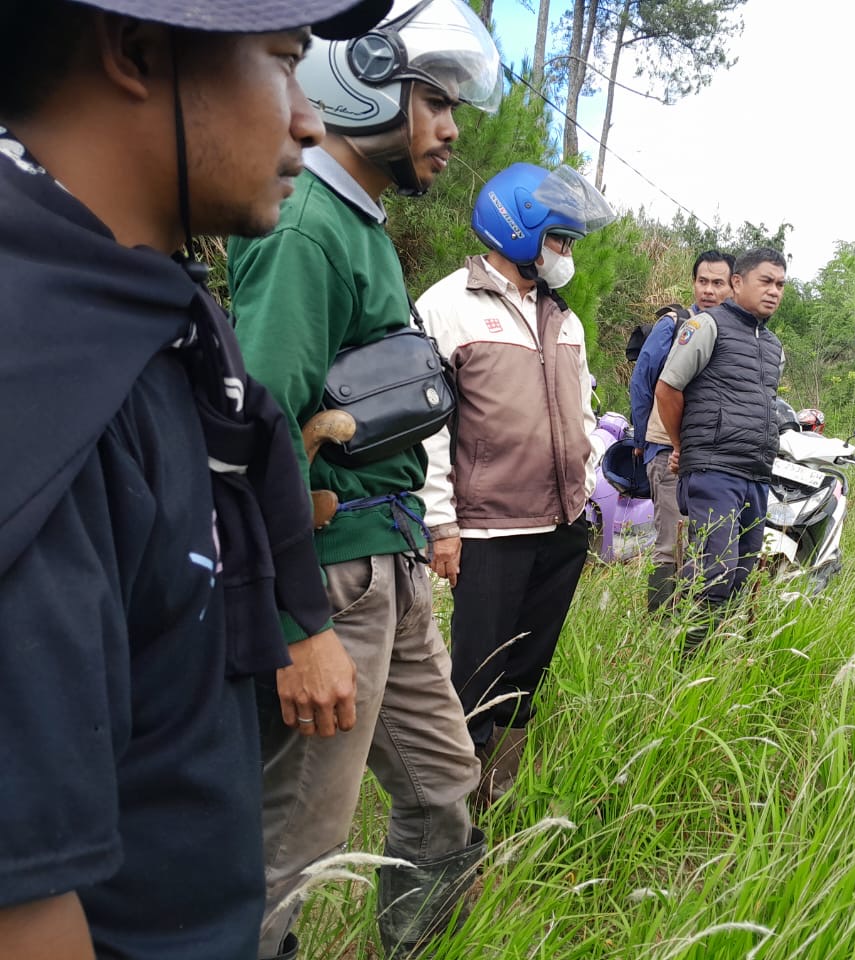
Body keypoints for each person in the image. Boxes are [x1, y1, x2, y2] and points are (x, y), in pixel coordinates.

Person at [0, 0, 390, 957]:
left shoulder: (155, 321)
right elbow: (24, 903)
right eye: (282, 61)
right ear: (135, 51)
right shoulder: (40, 381)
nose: (309, 117)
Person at [225, 3, 502, 957]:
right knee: (293, 843)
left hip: (391, 563)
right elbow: (256, 432)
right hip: (332, 575)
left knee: (443, 791)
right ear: (363, 86)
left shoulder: (360, 225)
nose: (452, 128)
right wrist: (300, 625)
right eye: (433, 101)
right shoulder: (307, 226)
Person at [417, 162, 614, 808]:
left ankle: (493, 803)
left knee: (526, 678)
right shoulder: (447, 307)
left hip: (561, 530)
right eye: (561, 240)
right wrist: (441, 524)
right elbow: (428, 429)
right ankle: (449, 823)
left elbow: (582, 413)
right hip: (491, 530)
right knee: (474, 679)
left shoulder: (565, 319)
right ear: (521, 230)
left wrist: (584, 491)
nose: (567, 255)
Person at [654, 247, 787, 649]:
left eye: (780, 284)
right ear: (738, 283)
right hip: (713, 470)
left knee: (743, 578)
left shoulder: (774, 346)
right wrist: (683, 445)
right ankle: (689, 668)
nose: (774, 292)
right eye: (765, 281)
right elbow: (667, 387)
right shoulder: (706, 325)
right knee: (713, 575)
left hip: (755, 475)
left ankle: (721, 669)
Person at [628, 250, 735, 612]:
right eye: (702, 281)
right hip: (666, 450)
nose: (708, 290)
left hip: (713, 456)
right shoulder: (675, 324)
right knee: (670, 544)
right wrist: (645, 439)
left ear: (733, 286)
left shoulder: (730, 331)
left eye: (717, 283)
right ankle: (658, 630)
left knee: (703, 546)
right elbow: (643, 381)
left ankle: (692, 624)